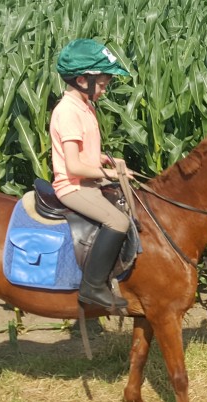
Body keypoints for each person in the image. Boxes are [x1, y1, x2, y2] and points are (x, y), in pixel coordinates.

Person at [50, 38, 131, 310]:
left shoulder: (85, 107)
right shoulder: (68, 112)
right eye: (104, 83)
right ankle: (92, 287)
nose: (106, 89)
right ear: (84, 80)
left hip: (87, 180)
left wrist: (109, 159)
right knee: (118, 222)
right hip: (72, 187)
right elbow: (73, 166)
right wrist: (109, 175)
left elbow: (86, 153)